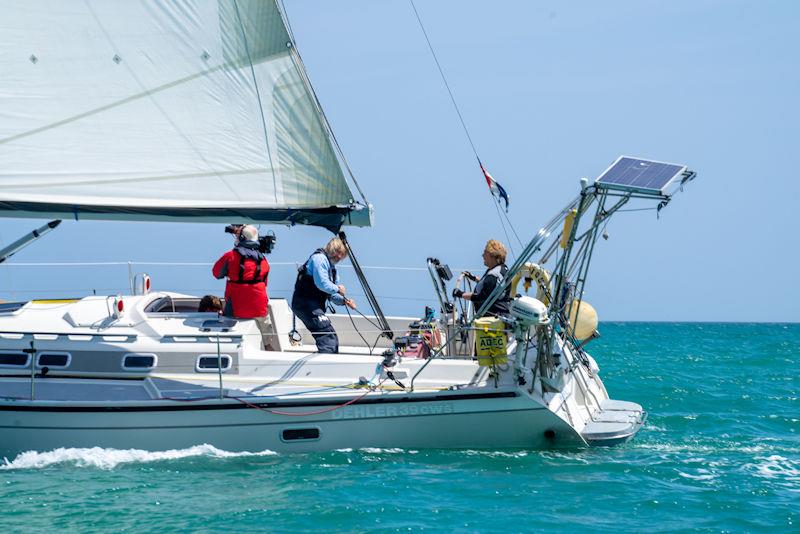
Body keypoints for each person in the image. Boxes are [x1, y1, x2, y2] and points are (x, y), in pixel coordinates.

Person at [212, 225, 275, 349]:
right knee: (265, 326)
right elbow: (265, 283)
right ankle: (268, 346)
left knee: (226, 322)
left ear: (241, 238)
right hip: (259, 308)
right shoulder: (263, 260)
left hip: (235, 308)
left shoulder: (230, 256)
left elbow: (216, 273)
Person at [291, 237, 356, 353]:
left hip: (313, 305)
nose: (339, 257)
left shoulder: (333, 269)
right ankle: (326, 365)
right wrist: (337, 288)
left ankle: (328, 363)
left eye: (342, 255)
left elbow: (331, 294)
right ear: (332, 249)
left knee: (332, 336)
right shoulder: (319, 259)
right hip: (304, 303)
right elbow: (322, 284)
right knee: (326, 336)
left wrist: (344, 301)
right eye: (338, 253)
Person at [452, 239, 512, 317]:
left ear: (492, 255)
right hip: (499, 315)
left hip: (493, 319)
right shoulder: (501, 269)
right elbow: (490, 286)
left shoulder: (494, 275)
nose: (482, 256)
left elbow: (481, 296)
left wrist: (461, 294)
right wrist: (473, 278)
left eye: (485, 253)